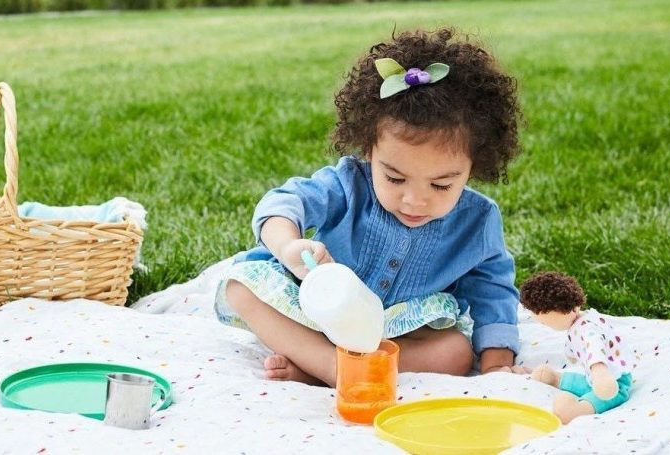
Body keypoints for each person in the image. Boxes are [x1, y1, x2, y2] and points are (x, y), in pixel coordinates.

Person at [215, 27, 527, 387]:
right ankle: (330, 366)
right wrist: (287, 247)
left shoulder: (479, 221)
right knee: (241, 286)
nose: (414, 200)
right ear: (369, 151)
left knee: (456, 352)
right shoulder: (348, 184)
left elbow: (494, 295)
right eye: (395, 179)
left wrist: (496, 366)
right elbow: (285, 202)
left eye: (441, 185)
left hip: (398, 335)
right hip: (318, 312)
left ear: (475, 165)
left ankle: (323, 368)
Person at [519, 272, 634, 424]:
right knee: (581, 382)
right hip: (592, 379)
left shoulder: (589, 330)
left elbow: (596, 352)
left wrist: (601, 376)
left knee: (596, 397)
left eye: (546, 320)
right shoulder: (578, 323)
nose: (544, 324)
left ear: (571, 309)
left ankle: (573, 411)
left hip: (614, 383)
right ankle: (554, 378)